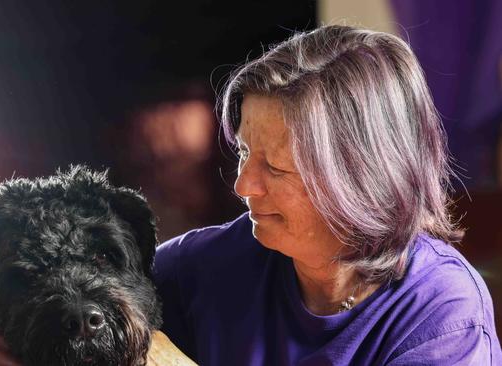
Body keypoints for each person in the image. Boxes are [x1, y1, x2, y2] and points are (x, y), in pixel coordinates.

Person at [153, 25, 502, 365]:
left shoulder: (443, 314)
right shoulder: (207, 265)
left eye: (275, 167)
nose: (243, 186)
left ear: (360, 176)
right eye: (244, 153)